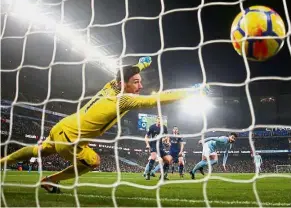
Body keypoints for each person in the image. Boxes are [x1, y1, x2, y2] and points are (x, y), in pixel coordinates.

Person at [0, 56, 209, 193]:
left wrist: (142, 65)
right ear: (125, 84)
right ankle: (50, 180)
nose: (140, 85)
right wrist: (192, 91)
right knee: (95, 161)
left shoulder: (110, 87)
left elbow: (125, 71)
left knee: (41, 150)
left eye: (140, 81)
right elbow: (158, 99)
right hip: (71, 141)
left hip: (62, 127)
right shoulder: (125, 99)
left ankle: (2, 162)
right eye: (136, 82)